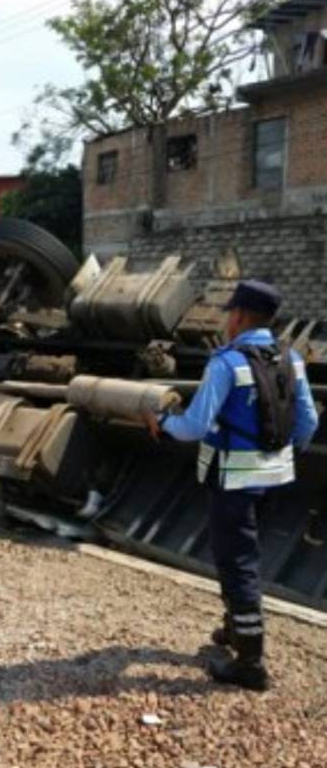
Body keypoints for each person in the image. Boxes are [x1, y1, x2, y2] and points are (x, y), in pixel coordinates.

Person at [145, 280, 318, 691]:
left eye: (228, 314)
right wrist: (277, 454)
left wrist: (161, 423)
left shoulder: (226, 363)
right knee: (245, 555)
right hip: (275, 478)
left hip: (234, 481)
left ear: (238, 317)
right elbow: (308, 422)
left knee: (235, 563)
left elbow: (196, 426)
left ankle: (250, 662)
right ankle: (236, 629)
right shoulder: (292, 360)